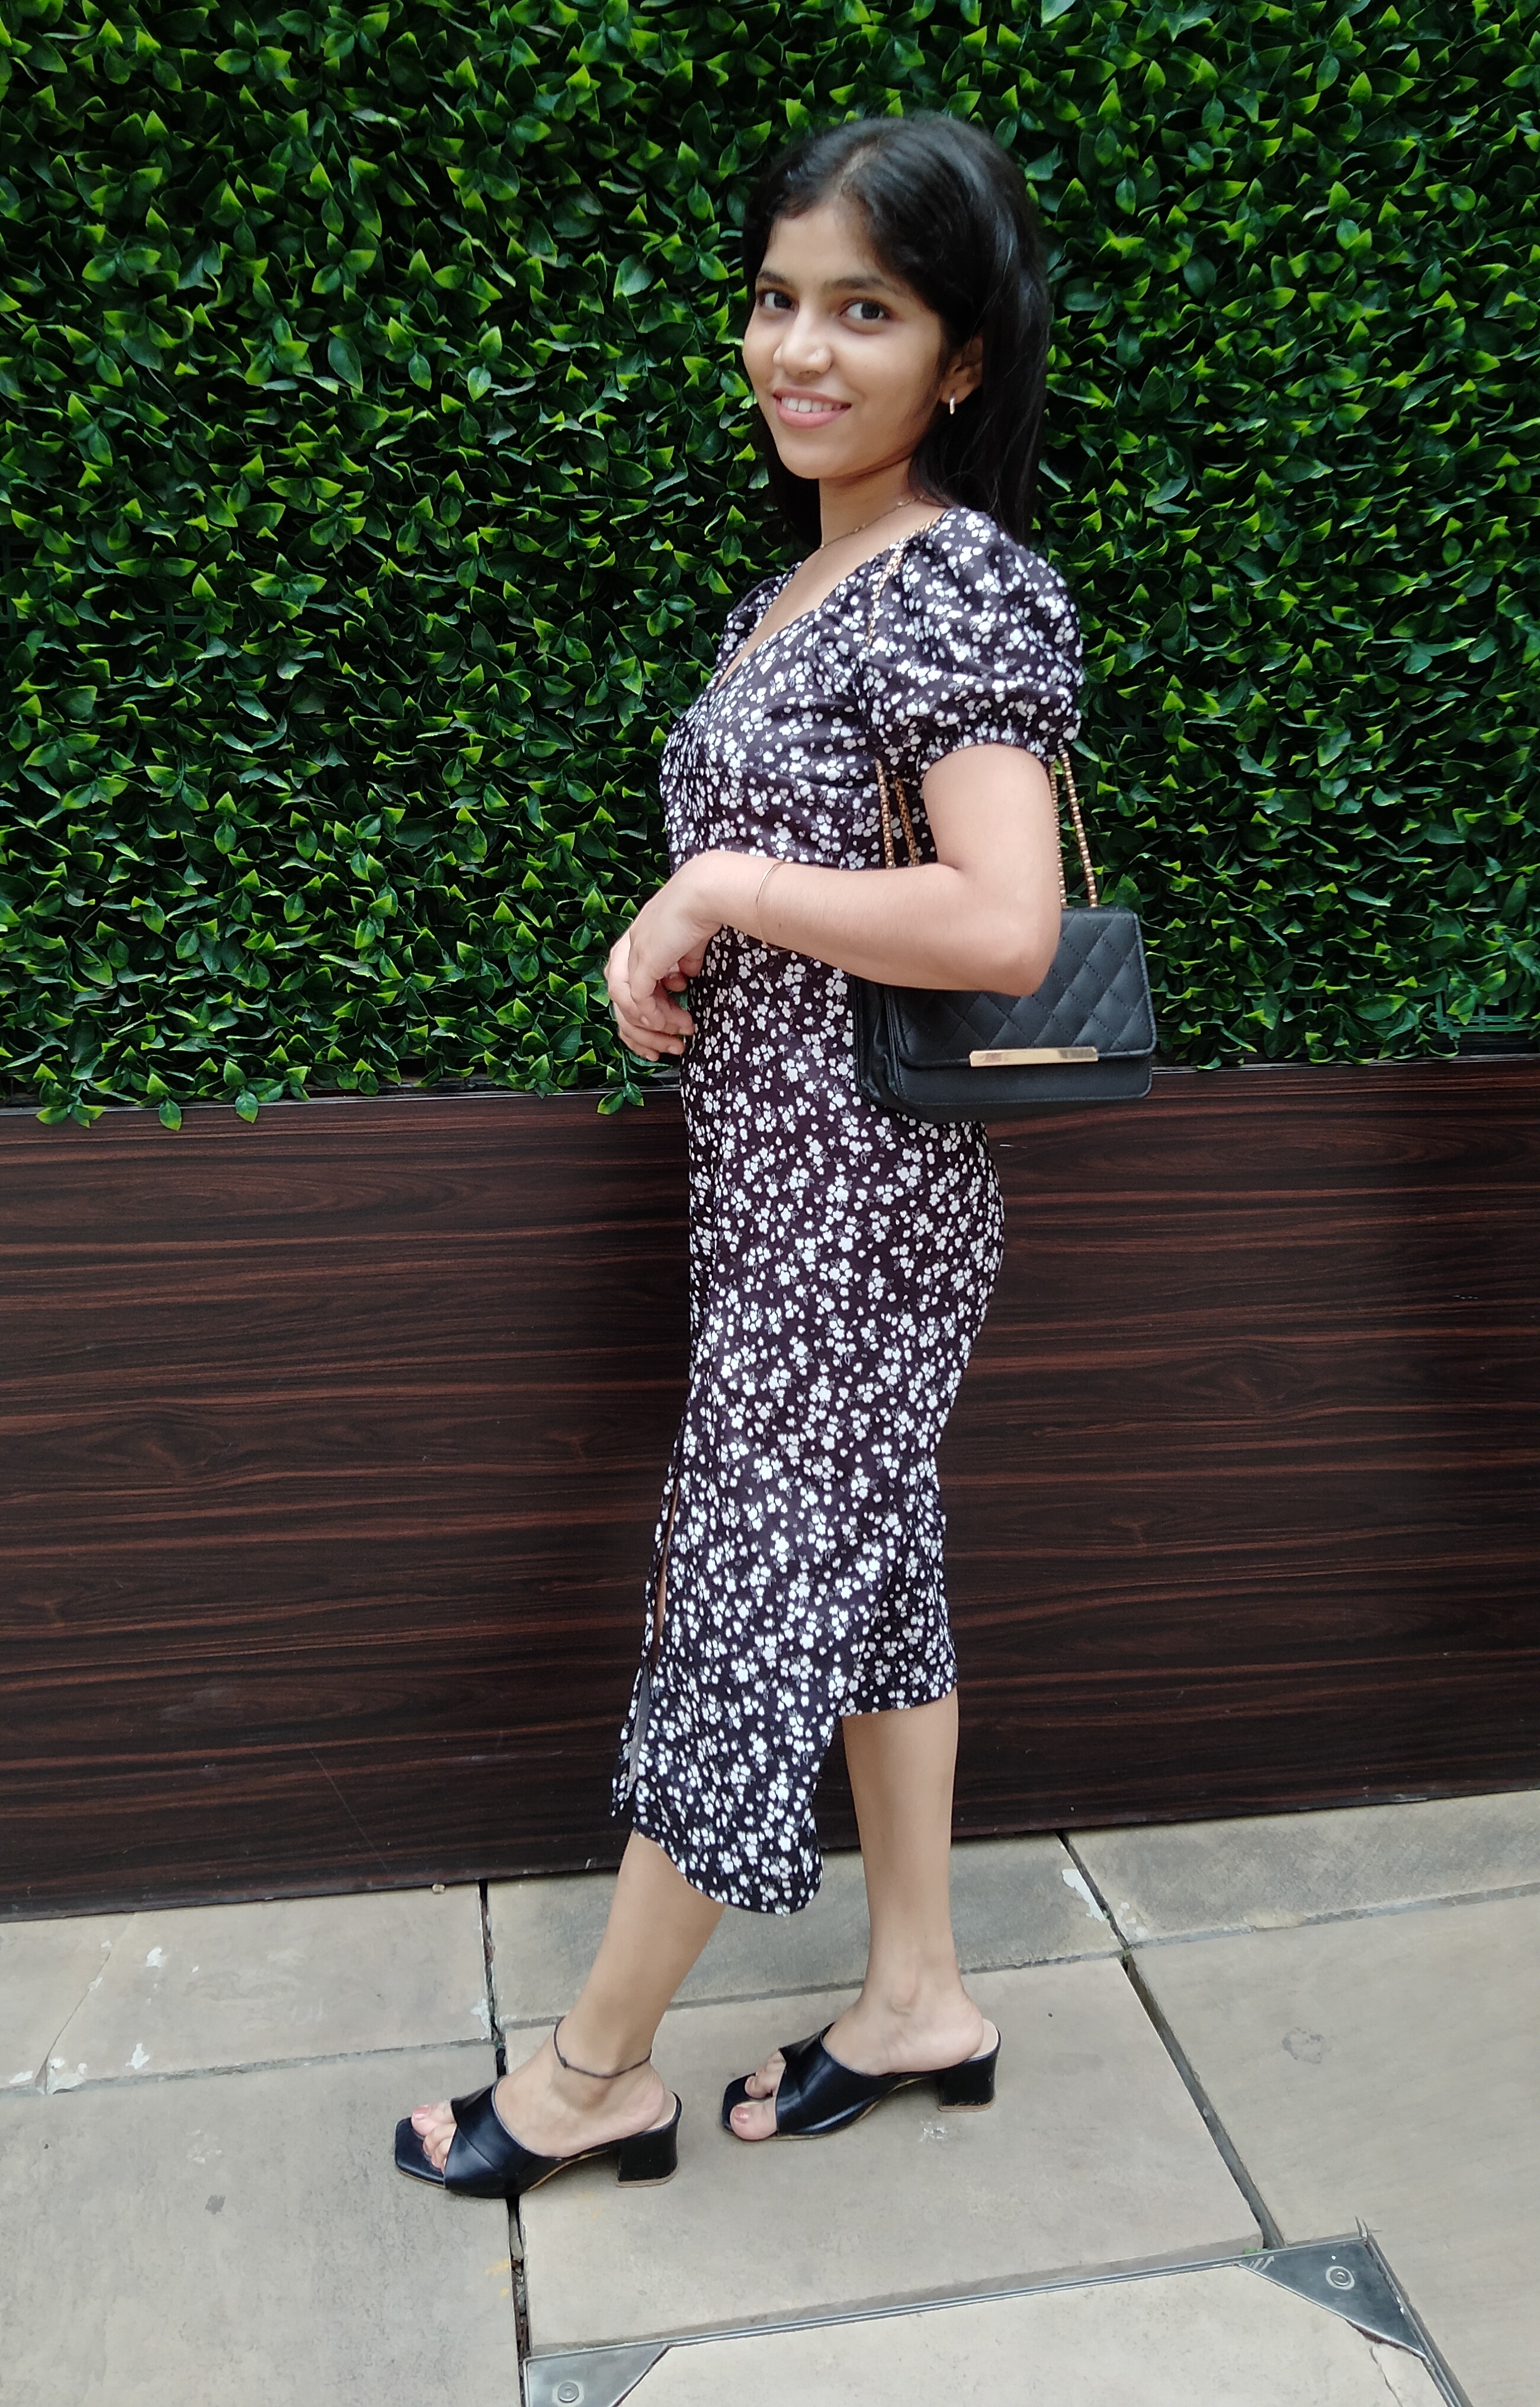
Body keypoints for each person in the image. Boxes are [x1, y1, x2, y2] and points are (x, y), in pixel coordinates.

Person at [395, 110, 1082, 2200]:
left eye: (864, 311)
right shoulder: (791, 590)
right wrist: (670, 943)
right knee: (871, 1585)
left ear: (961, 357)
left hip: (864, 1214)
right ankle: (919, 1993)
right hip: (774, 1193)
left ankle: (593, 2074)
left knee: (746, 1612)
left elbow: (1003, 924)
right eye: (778, 300)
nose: (799, 348)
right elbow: (798, 888)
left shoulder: (962, 579)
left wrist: (718, 885)